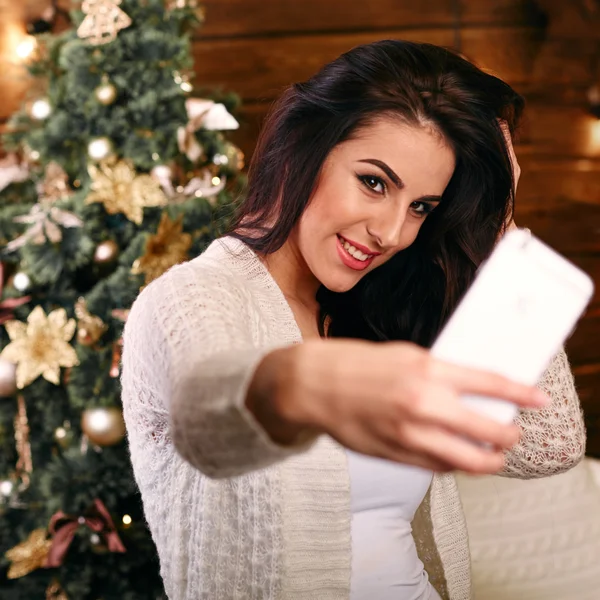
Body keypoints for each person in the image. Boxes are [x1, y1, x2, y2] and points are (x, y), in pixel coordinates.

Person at [121, 40, 586, 600]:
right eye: (374, 181)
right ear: (303, 151)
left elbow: (549, 444)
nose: (392, 233)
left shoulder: (380, 308)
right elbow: (208, 418)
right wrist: (297, 384)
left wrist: (499, 232)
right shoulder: (188, 301)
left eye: (421, 207)